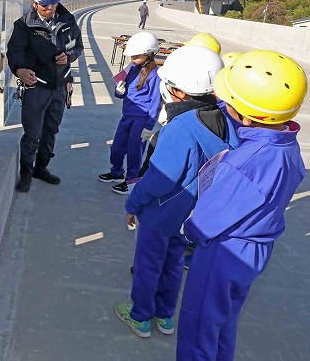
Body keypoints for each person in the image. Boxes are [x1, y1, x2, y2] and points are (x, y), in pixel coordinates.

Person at [177, 50, 307, 360]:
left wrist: (187, 231)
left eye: (229, 102)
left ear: (247, 116)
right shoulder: (288, 147)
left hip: (224, 252)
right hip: (255, 249)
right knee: (223, 321)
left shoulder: (245, 163)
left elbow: (205, 222)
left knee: (198, 327)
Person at [114, 45, 239, 338]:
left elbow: (158, 180)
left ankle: (140, 317)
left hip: (160, 214)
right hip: (190, 216)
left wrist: (132, 204)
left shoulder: (180, 128)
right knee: (173, 265)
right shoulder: (226, 121)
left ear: (179, 91)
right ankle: (165, 316)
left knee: (148, 265)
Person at [7, 0, 84, 193]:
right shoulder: (23, 26)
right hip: (37, 87)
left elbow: (78, 46)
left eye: (53, 3)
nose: (50, 8)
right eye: (44, 5)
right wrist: (19, 70)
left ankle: (41, 168)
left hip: (60, 86)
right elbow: (14, 52)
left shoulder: (68, 21)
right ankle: (26, 171)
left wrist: (69, 56)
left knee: (51, 129)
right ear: (34, 2)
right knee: (32, 132)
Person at [98, 31, 161, 195]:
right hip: (127, 116)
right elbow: (121, 92)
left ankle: (131, 180)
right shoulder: (132, 68)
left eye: (136, 55)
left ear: (149, 54)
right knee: (117, 147)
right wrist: (119, 91)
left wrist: (149, 126)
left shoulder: (155, 75)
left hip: (141, 120)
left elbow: (156, 102)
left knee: (135, 151)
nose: (132, 58)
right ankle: (116, 172)